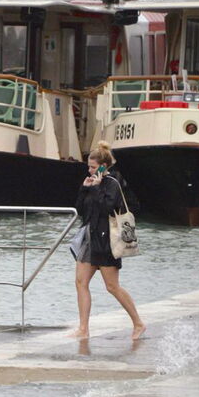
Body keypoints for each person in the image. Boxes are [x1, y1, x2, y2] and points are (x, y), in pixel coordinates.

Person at [72, 141, 145, 341]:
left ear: (103, 166)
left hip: (107, 241)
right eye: (88, 166)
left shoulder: (113, 183)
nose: (89, 170)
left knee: (112, 286)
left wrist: (96, 189)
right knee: (80, 282)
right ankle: (83, 329)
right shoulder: (92, 182)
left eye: (93, 167)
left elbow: (107, 208)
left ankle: (138, 323)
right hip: (90, 239)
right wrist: (84, 188)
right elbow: (80, 210)